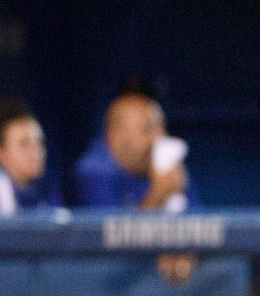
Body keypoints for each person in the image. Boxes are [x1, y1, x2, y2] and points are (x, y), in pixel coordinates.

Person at [74, 90, 198, 283]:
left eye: (160, 128)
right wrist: (158, 195)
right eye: (147, 129)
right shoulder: (93, 171)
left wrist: (185, 255)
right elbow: (112, 246)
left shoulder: (163, 164)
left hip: (159, 280)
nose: (159, 138)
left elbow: (201, 228)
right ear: (116, 136)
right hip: (108, 287)